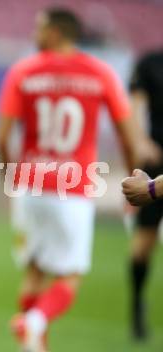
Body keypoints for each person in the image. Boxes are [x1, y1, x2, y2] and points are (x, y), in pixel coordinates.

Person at [0, 8, 148, 352]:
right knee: (70, 276)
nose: (35, 33)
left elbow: (3, 137)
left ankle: (33, 344)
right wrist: (132, 178)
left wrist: (13, 178)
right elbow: (127, 136)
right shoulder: (100, 73)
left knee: (35, 270)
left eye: (40, 27)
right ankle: (34, 324)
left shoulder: (24, 71)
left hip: (30, 185)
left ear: (57, 32)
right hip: (73, 188)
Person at [124, 49, 163, 341]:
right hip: (157, 159)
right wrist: (142, 141)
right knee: (143, 245)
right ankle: (137, 306)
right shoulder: (150, 63)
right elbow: (135, 107)